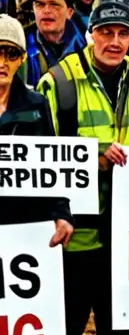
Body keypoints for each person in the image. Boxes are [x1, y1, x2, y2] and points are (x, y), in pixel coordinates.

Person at [37, 0, 129, 335]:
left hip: (124, 242)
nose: (114, 42)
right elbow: (41, 159)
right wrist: (94, 159)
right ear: (90, 33)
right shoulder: (58, 83)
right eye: (105, 32)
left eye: (122, 34)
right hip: (76, 243)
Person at [0, 14, 75, 245]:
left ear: (22, 59)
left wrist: (62, 215)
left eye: (11, 54)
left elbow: (51, 163)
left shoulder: (36, 103)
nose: (3, 62)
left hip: (25, 224)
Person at [23, 0, 89, 87]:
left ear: (70, 12)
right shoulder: (20, 45)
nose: (46, 10)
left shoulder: (86, 45)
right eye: (40, 4)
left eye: (54, 4)